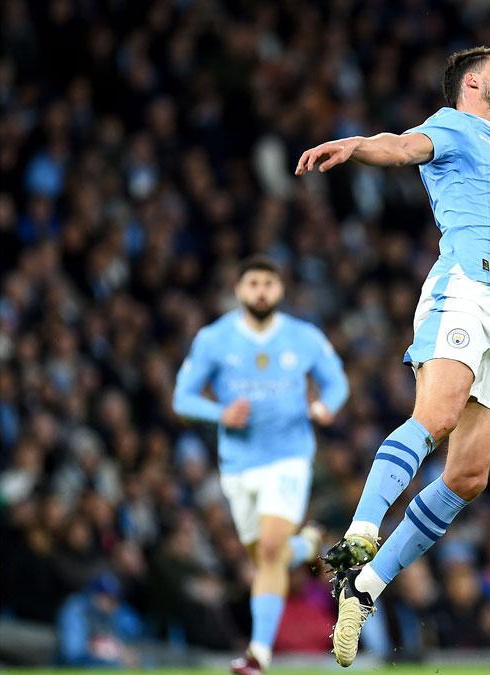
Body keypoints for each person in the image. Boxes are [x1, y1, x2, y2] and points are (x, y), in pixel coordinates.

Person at [293, 45, 490, 667]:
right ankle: (361, 534)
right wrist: (356, 146)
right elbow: (402, 146)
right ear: (474, 82)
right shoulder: (453, 125)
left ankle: (364, 588)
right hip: (466, 291)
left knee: (469, 477)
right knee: (439, 415)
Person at [172, 256, 348, 675]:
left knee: (268, 551)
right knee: (266, 559)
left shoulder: (303, 337)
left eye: (269, 283)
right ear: (239, 290)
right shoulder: (214, 339)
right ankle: (306, 546)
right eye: (253, 283)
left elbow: (337, 380)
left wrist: (325, 406)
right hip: (238, 464)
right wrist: (220, 413)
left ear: (280, 290)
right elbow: (183, 398)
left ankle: (258, 655)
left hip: (288, 458)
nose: (261, 291)